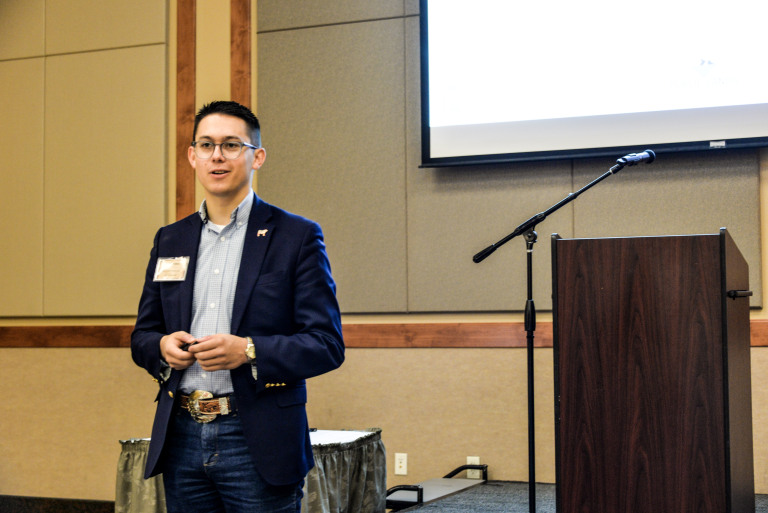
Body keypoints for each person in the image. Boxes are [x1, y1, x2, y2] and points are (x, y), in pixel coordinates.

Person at [131, 100, 345, 513]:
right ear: (192, 156)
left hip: (255, 440)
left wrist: (248, 351)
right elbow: (142, 335)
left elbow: (326, 344)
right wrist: (160, 347)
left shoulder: (295, 236)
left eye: (231, 145)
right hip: (181, 436)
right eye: (206, 145)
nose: (217, 155)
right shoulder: (169, 240)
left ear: (256, 156)